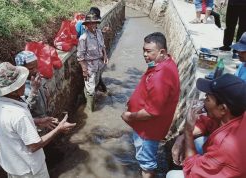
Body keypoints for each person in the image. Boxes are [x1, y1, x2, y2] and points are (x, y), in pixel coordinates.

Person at [0, 62, 76, 177]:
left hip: (11, 164)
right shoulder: (18, 115)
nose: (24, 84)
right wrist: (59, 128)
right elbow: (34, 146)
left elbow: (11, 126)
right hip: (28, 170)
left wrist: (37, 121)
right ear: (13, 89)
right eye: (21, 83)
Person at [121, 32, 180, 178]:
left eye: (149, 51)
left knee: (147, 165)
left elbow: (151, 112)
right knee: (147, 160)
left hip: (148, 131)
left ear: (162, 52)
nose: (144, 55)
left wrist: (129, 116)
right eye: (143, 50)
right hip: (150, 127)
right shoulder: (166, 62)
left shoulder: (161, 76)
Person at [168, 74, 246, 178]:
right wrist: (181, 137)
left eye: (207, 98)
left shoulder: (226, 145)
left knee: (172, 175)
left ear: (223, 108)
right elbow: (208, 122)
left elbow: (192, 173)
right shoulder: (236, 113)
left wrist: (187, 132)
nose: (203, 101)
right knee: (198, 142)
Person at [77, 12, 109, 112]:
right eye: (90, 23)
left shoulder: (99, 32)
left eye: (94, 23)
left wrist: (105, 55)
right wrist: (84, 70)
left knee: (95, 82)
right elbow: (80, 57)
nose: (92, 25)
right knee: (90, 89)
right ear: (86, 25)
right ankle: (90, 109)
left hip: (99, 63)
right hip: (89, 65)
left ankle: (87, 97)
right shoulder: (83, 38)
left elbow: (102, 45)